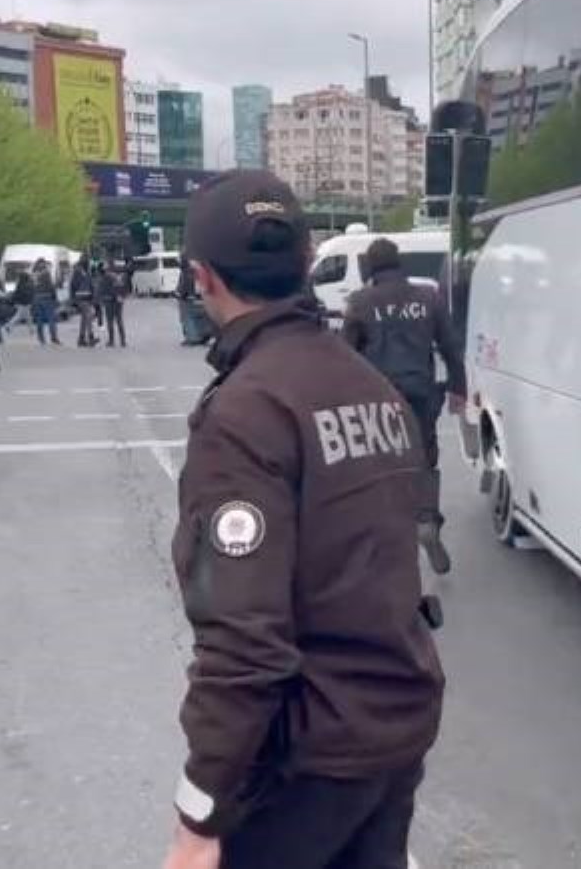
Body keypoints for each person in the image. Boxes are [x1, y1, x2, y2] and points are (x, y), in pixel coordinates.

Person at [161, 170, 443, 869]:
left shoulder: (247, 412)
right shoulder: (367, 383)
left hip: (306, 762)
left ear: (203, 278)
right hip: (395, 727)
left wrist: (200, 809)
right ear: (309, 259)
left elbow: (245, 643)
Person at [343, 239, 467, 577]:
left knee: (380, 462)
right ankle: (426, 520)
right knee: (424, 456)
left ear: (370, 268)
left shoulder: (359, 303)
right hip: (420, 391)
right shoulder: (428, 298)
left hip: (376, 396)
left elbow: (345, 355)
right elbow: (451, 346)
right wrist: (459, 388)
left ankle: (387, 539)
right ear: (400, 263)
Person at [176, 256, 217, 347]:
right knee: (209, 316)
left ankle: (194, 337)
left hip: (190, 295)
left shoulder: (187, 273)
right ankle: (205, 335)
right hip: (200, 294)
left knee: (188, 316)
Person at [97, 258, 127, 348]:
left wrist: (101, 299)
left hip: (109, 301)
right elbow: (124, 288)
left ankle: (111, 341)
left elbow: (101, 290)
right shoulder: (120, 276)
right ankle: (123, 341)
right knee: (119, 321)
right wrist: (122, 297)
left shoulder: (105, 277)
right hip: (119, 301)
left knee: (110, 322)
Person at [69, 256, 98, 347]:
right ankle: (90, 337)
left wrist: (93, 298)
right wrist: (73, 300)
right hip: (81, 299)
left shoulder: (87, 273)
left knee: (84, 319)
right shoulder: (77, 274)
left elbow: (91, 286)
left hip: (87, 299)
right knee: (89, 317)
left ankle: (81, 339)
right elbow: (73, 287)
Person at [32, 259, 62, 346]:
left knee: (39, 319)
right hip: (46, 297)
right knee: (51, 318)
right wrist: (55, 297)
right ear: (43, 264)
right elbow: (50, 286)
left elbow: (33, 287)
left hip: (36, 298)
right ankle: (54, 337)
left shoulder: (34, 274)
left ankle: (41, 338)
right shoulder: (46, 273)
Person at [8, 267, 35, 333]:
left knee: (27, 316)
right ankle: (9, 325)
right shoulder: (28, 284)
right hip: (26, 302)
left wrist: (13, 300)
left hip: (21, 302)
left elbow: (16, 293)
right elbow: (31, 293)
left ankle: (31, 329)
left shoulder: (19, 284)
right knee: (20, 316)